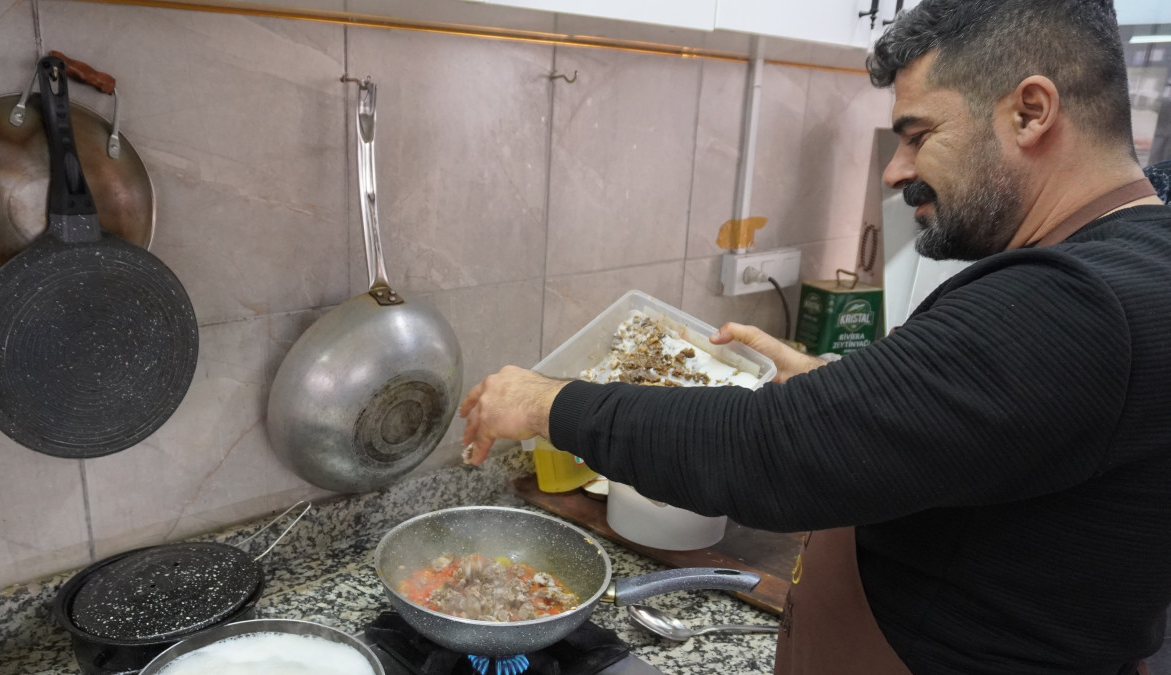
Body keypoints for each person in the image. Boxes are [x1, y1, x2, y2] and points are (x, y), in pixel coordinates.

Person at [459, 1, 1171, 673]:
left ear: (1031, 111)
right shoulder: (1139, 264)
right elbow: (1000, 438)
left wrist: (549, 402)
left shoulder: (1076, 301)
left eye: (919, 135)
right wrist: (839, 386)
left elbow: (774, 450)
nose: (896, 172)